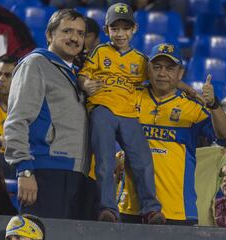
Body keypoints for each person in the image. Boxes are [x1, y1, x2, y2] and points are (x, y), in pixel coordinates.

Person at [118, 43, 226, 225]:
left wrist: (213, 105)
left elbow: (224, 134)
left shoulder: (193, 106)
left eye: (170, 68)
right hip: (131, 206)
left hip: (177, 209)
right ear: (148, 69)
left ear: (180, 73)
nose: (162, 73)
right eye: (157, 67)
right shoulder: (130, 97)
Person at [78, 3, 165, 223]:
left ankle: (151, 209)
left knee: (143, 160)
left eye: (125, 28)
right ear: (107, 30)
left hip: (129, 114)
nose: (120, 34)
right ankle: (108, 208)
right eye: (115, 28)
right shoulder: (100, 51)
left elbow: (162, 79)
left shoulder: (140, 60)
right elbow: (83, 75)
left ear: (134, 29)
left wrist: (190, 90)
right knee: (105, 161)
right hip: (102, 109)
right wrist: (85, 84)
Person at [4, 9, 89, 219]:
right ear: (49, 35)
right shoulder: (35, 64)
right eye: (67, 31)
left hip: (78, 173)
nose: (74, 38)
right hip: (45, 171)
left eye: (80, 33)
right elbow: (16, 120)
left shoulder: (77, 74)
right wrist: (24, 170)